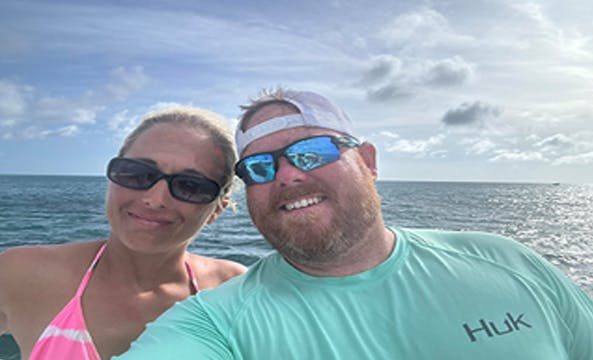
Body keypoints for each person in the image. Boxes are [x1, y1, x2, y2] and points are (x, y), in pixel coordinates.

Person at [117, 90, 593, 359]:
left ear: (367, 161)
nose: (287, 175)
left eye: (311, 152)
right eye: (259, 167)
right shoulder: (217, 325)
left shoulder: (508, 263)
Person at [0, 107, 247, 359]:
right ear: (113, 178)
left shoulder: (234, 291)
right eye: (137, 174)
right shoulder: (22, 274)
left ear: (217, 208)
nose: (155, 199)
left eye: (190, 186)